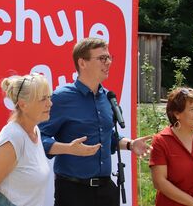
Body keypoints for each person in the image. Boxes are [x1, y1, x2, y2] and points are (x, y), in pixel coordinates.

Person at [38, 37, 152, 206]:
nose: (108, 63)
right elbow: (39, 138)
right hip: (73, 191)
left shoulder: (108, 97)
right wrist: (68, 149)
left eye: (109, 57)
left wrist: (130, 144)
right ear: (82, 63)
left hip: (106, 191)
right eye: (102, 58)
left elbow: (108, 136)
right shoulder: (61, 97)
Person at [0, 73, 52, 206]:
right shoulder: (13, 138)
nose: (49, 104)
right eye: (43, 99)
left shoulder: (35, 131)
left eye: (49, 97)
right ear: (23, 105)